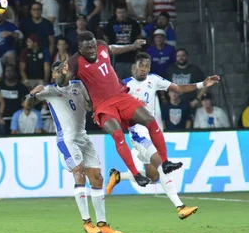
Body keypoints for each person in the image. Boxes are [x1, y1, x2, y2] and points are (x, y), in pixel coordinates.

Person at [55, 31, 182, 186]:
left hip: (121, 97)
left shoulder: (101, 45)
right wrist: (62, 75)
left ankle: (165, 161)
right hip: (103, 106)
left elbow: (113, 49)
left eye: (93, 45)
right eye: (88, 48)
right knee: (118, 135)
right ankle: (136, 174)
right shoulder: (74, 62)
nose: (92, 49)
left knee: (150, 120)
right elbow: (62, 83)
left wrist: (132, 46)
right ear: (80, 48)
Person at [107, 52, 218, 219]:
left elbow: (179, 88)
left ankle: (118, 176)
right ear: (134, 67)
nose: (144, 69)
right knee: (162, 164)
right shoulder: (125, 86)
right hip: (138, 134)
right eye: (141, 66)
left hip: (151, 131)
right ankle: (180, 207)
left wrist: (202, 84)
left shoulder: (154, 80)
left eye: (147, 66)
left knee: (153, 176)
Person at [28, 63, 122, 233]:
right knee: (79, 173)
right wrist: (32, 93)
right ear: (54, 75)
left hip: (83, 137)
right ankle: (87, 222)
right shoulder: (49, 91)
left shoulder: (79, 86)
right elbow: (27, 105)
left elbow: (89, 106)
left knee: (97, 178)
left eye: (64, 69)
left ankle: (103, 224)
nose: (63, 73)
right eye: (58, 71)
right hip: (67, 139)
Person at [104, 4, 142, 79]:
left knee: (131, 81)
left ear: (127, 12)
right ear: (115, 13)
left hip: (131, 57)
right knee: (118, 81)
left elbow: (139, 38)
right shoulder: (111, 23)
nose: (121, 15)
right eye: (119, 12)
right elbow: (106, 37)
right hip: (116, 58)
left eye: (123, 12)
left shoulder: (133, 23)